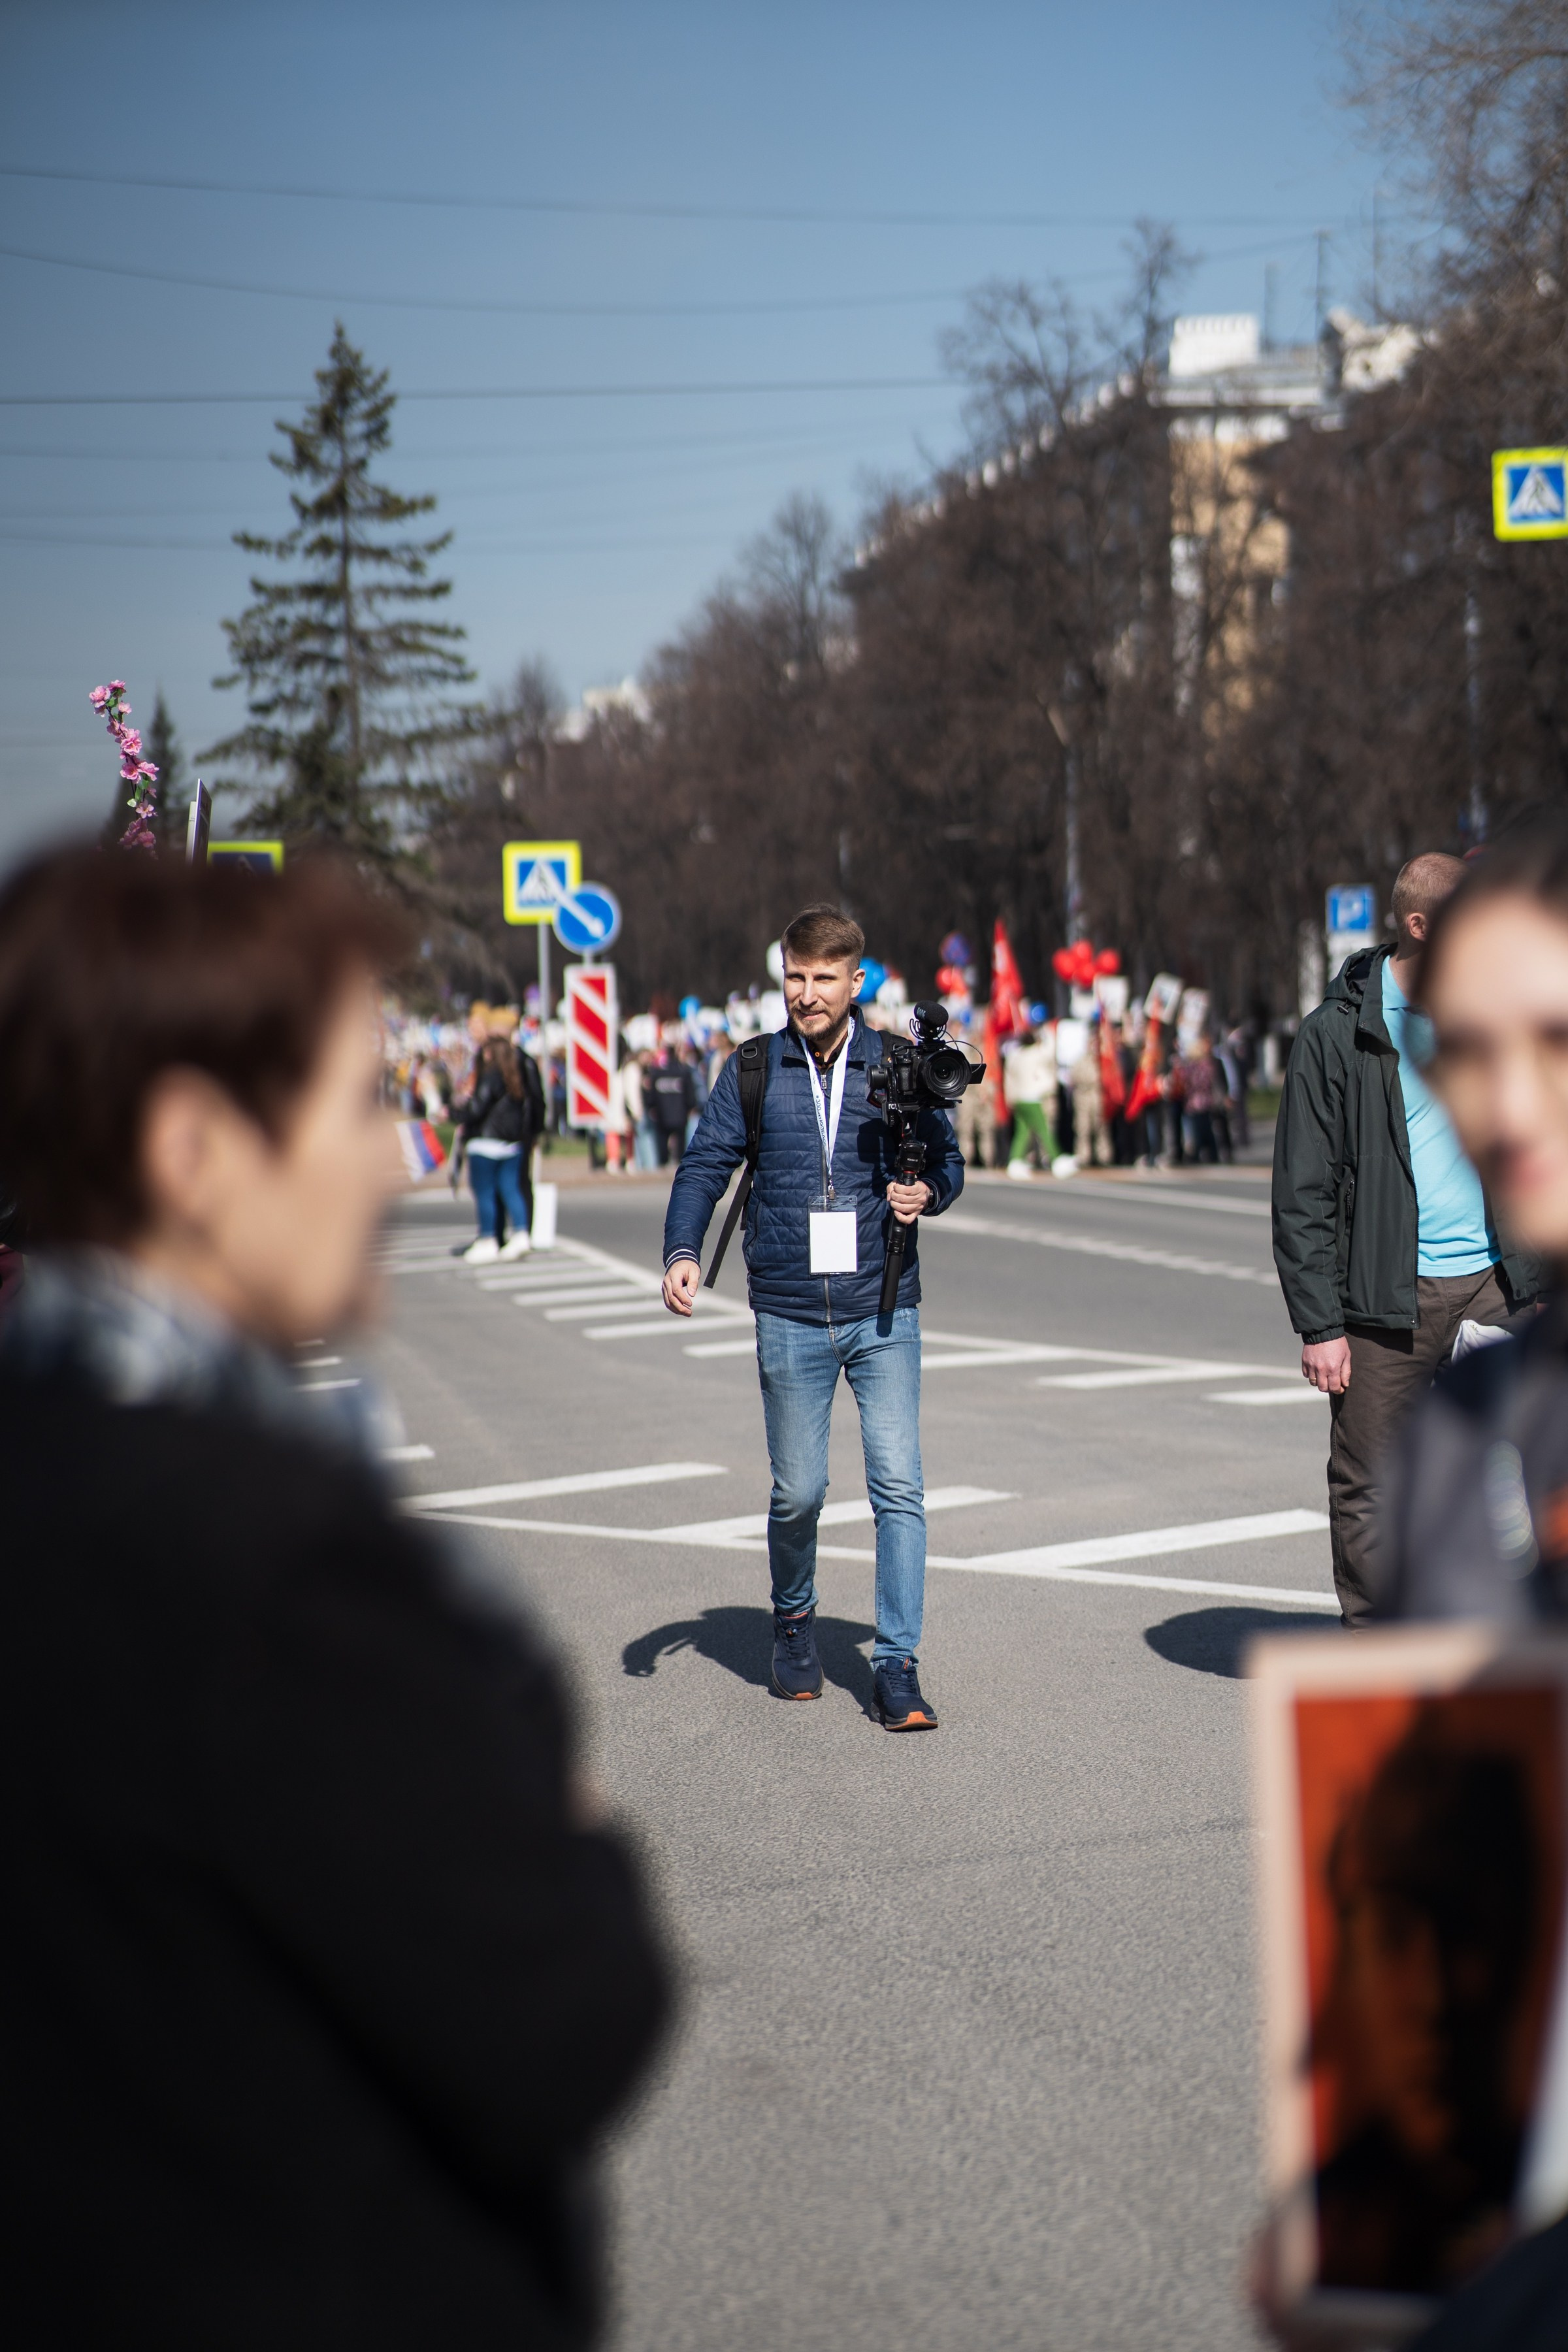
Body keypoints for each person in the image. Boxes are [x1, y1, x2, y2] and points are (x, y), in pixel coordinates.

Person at [0, 843, 669, 2349]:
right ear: (195, 1153)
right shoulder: (260, 1554)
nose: (394, 1159)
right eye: (357, 1103)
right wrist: (550, 1789)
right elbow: (564, 2014)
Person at [660, 903, 965, 1729]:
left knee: (899, 1486)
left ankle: (897, 1664)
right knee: (799, 1492)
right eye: (795, 977)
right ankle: (793, 1620)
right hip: (790, 1313)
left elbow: (949, 1161)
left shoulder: (899, 1065)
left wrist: (925, 1191)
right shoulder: (755, 1069)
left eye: (824, 978)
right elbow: (704, 1166)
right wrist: (682, 1251)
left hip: (883, 1308)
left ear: (855, 981)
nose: (807, 993)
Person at [1272, 852, 1541, 1624]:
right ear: (1420, 926)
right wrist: (1321, 1325)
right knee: (1370, 1484)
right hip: (1387, 1300)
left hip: (1500, 1286)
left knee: (1534, 1466)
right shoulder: (1338, 1035)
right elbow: (1304, 1191)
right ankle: (1379, 1655)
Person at [456, 1035, 534, 1264]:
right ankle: (521, 1234)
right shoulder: (516, 1077)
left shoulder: (490, 1077)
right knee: (511, 1189)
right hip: (512, 1143)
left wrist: (454, 1112)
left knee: (485, 1193)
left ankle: (488, 1238)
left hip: (486, 1142)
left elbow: (476, 1108)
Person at [1002, 1021, 1056, 1179]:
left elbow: (1009, 1078)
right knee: (1044, 1130)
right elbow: (1049, 1052)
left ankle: (1015, 1160)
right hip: (1032, 1098)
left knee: (1023, 1132)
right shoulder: (1035, 1054)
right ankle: (1056, 1157)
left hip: (1018, 1098)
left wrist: (1009, 1097)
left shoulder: (1015, 1056)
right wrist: (1048, 1032)